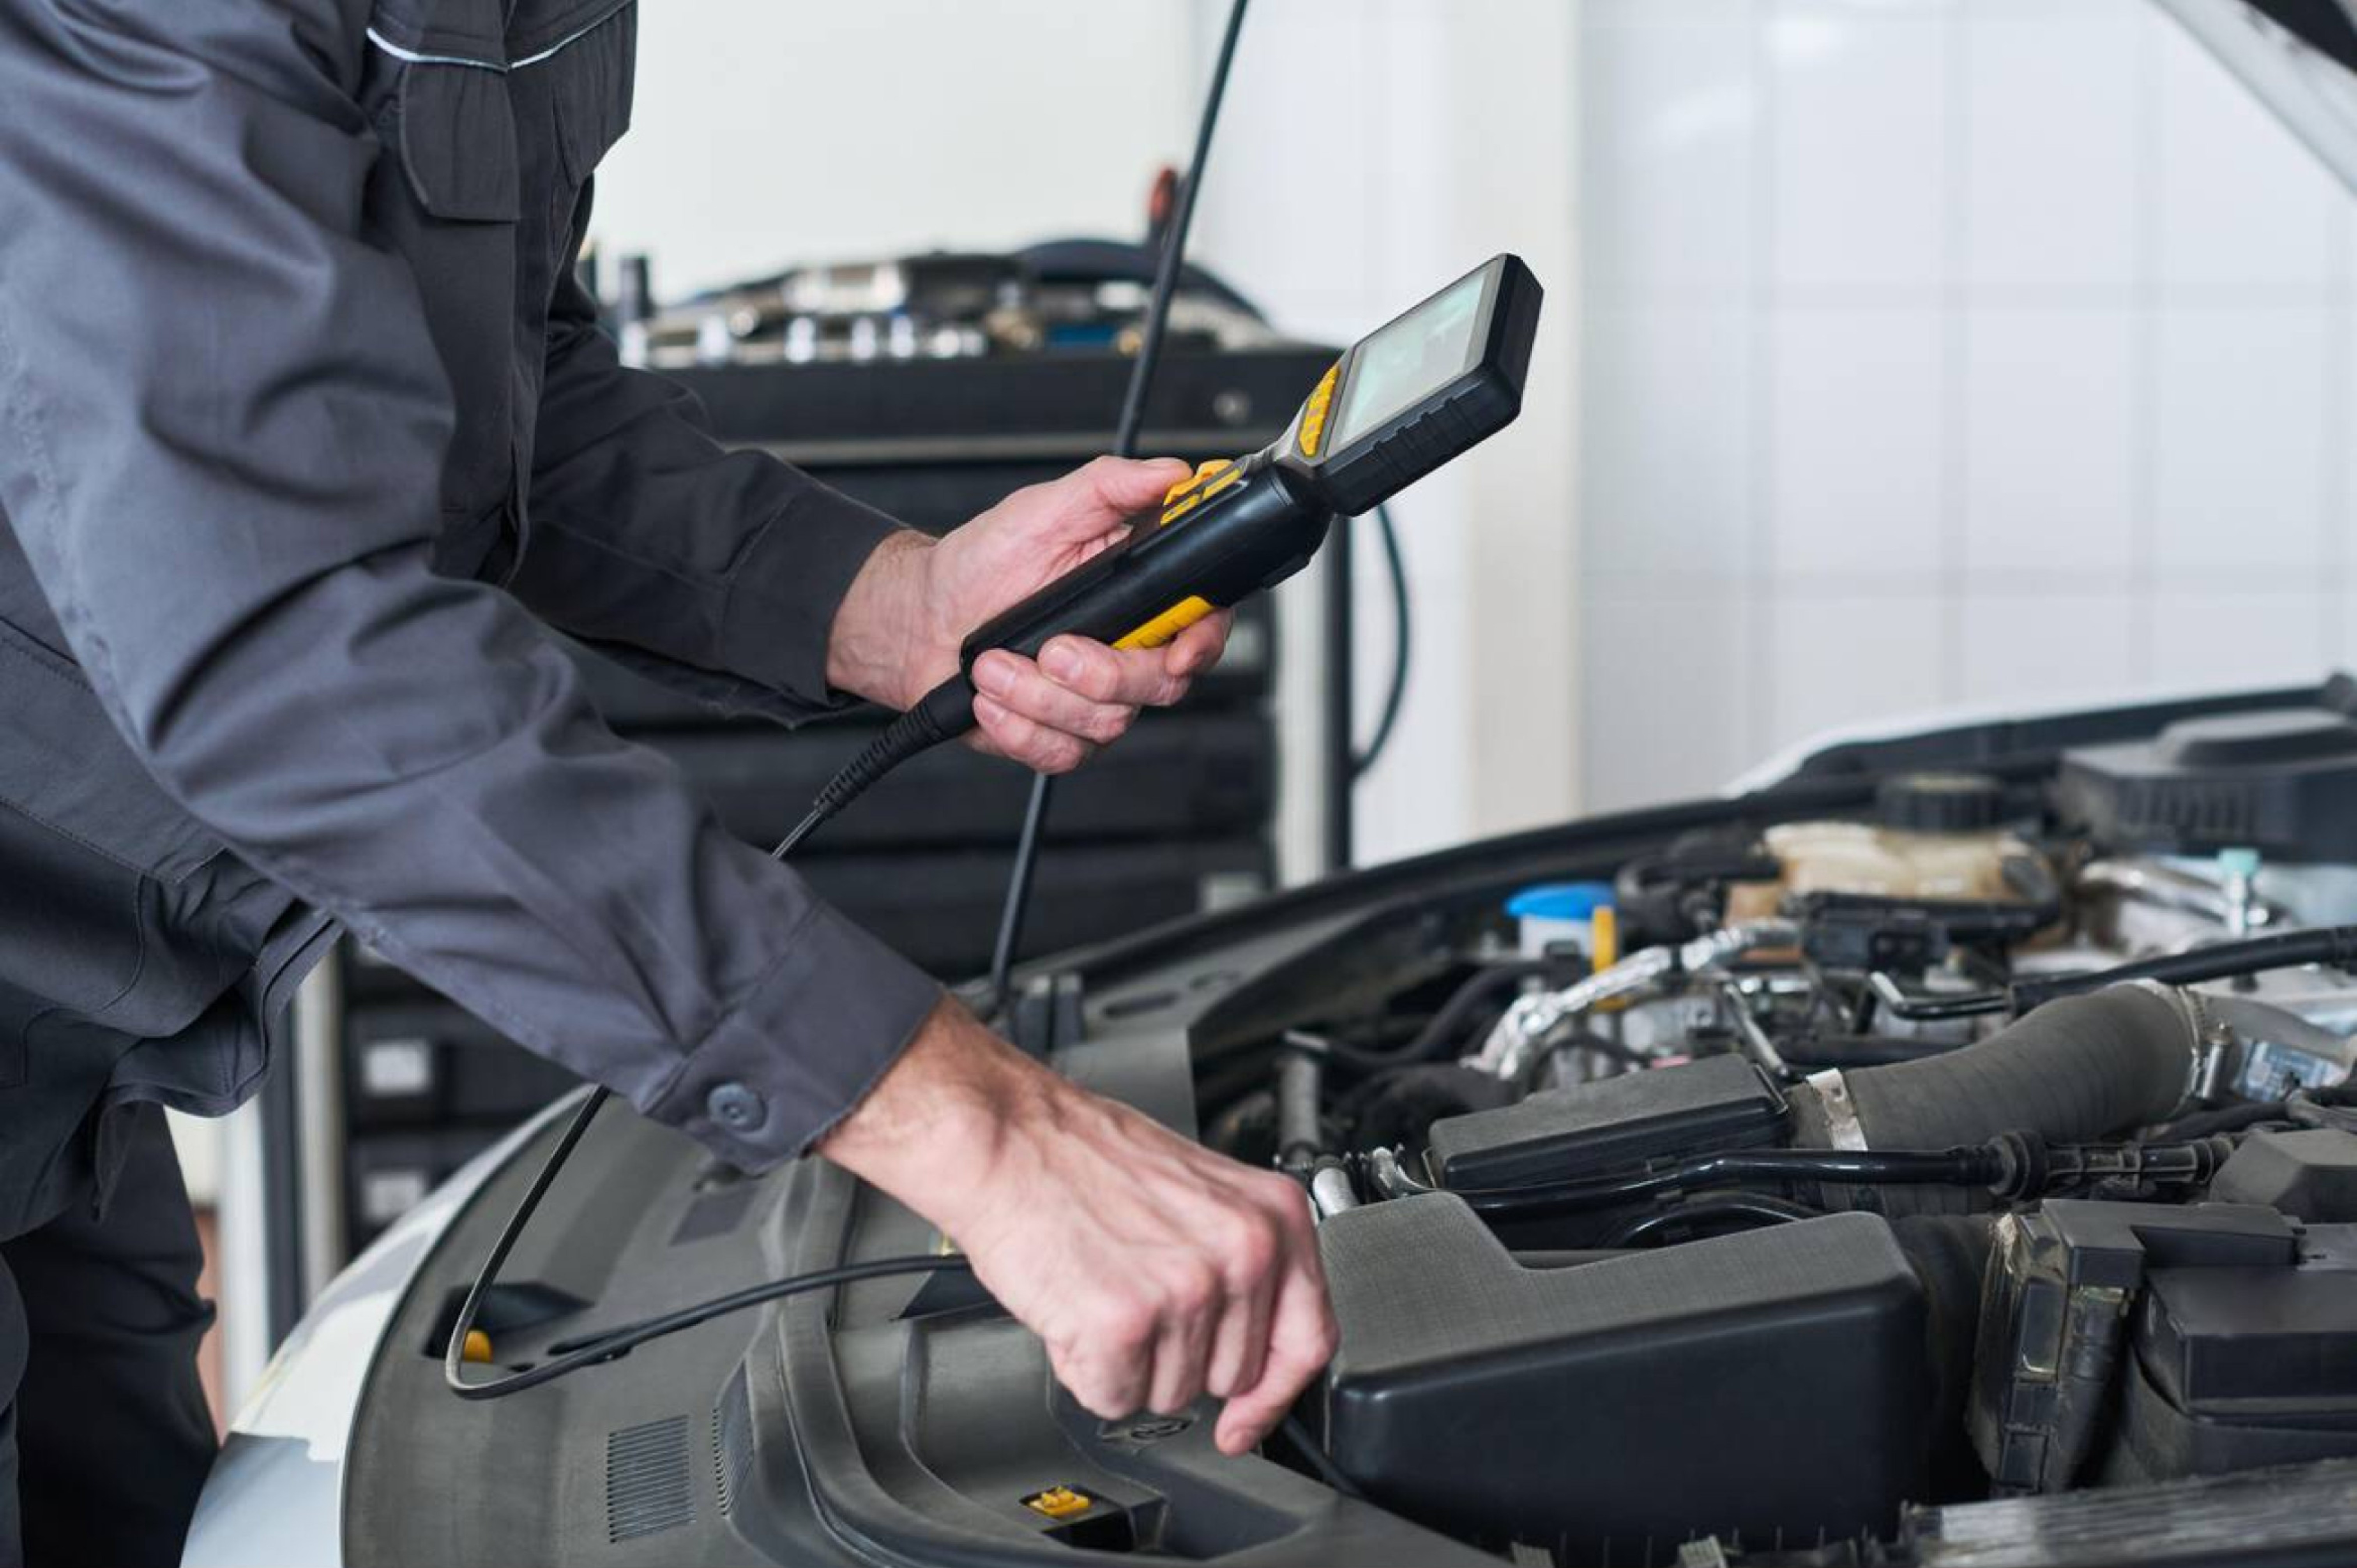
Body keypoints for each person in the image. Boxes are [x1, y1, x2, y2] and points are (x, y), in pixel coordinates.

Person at [0, 2, 1338, 1563]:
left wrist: (890, 597)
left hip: (73, 1041)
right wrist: (985, 1133)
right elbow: (287, 639)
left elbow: (497, 386)